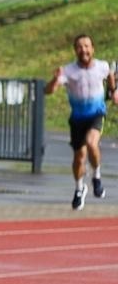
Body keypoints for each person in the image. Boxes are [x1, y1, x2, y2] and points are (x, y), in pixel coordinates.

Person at [46, 33, 114, 211]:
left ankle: (96, 177)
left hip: (96, 114)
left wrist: (114, 91)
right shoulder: (69, 71)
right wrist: (55, 79)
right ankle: (79, 188)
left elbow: (110, 74)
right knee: (79, 158)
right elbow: (49, 90)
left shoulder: (102, 66)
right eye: (79, 47)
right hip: (77, 119)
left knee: (92, 143)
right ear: (75, 50)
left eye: (86, 46)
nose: (83, 50)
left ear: (93, 49)